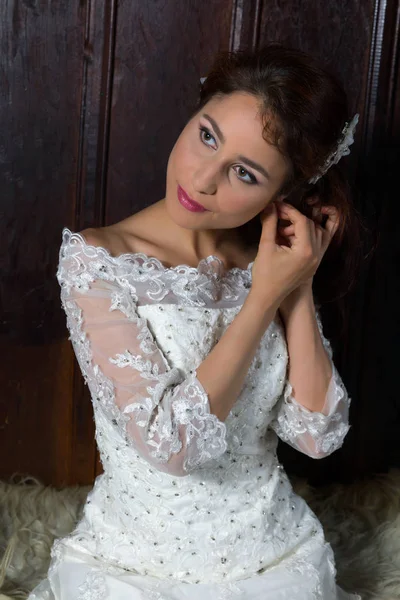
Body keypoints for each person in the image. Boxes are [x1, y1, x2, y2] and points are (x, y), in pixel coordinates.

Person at [29, 44, 363, 599]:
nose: (203, 179)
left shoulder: (273, 263)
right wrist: (262, 301)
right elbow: (172, 445)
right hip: (132, 564)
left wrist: (297, 286)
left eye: (245, 172)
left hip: (273, 558)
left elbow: (317, 436)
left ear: (283, 196)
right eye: (207, 135)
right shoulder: (98, 261)